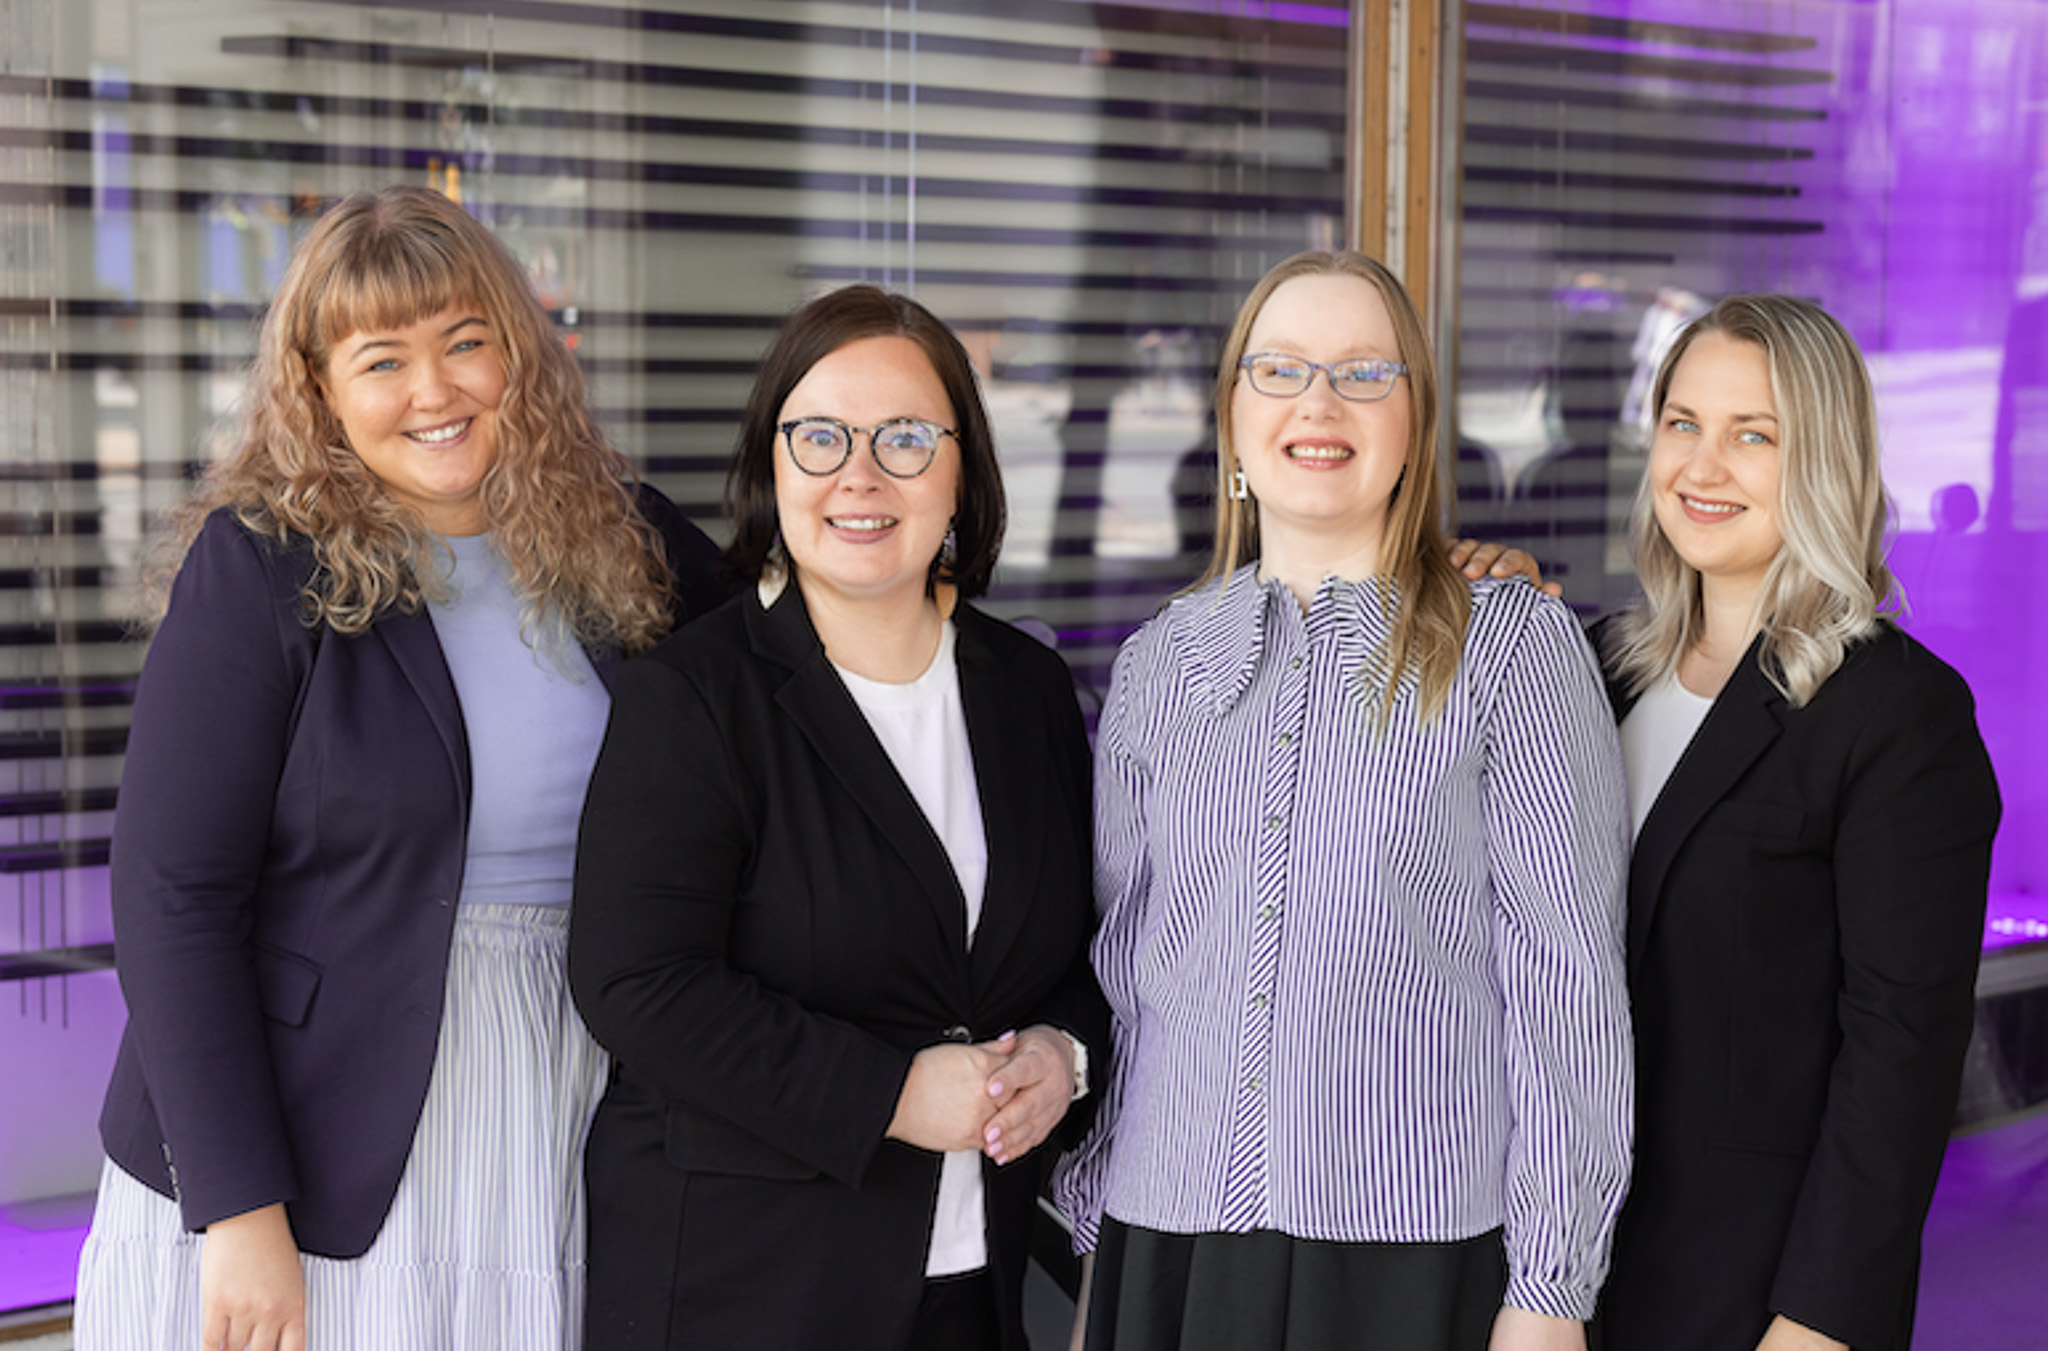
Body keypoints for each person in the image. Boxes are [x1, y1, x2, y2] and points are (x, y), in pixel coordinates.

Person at [73, 185, 725, 1351]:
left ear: (519, 353)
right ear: (319, 388)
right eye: (382, 360)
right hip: (308, 1121)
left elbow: (786, 687)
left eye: (466, 342)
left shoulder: (626, 537)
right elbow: (174, 899)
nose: (434, 390)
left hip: (563, 1084)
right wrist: (239, 1207)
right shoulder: (261, 565)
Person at [1050, 250, 1634, 1351]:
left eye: (1365, 372)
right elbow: (1132, 981)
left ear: (1416, 418)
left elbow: (1564, 988)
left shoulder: (1513, 649)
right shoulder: (1156, 665)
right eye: (1279, 369)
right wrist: (1096, 1264)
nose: (1318, 403)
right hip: (1165, 1243)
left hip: (1407, 1254)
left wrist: (1551, 1290)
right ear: (1232, 417)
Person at [566, 284, 1106, 1351]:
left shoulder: (1028, 690)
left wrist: (1067, 1053)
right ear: (773, 464)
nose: (859, 474)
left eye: (905, 437)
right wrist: (890, 1094)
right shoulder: (696, 695)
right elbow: (637, 981)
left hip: (975, 1288)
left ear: (962, 472)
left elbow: (1091, 945)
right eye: (819, 437)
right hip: (744, 1291)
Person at [1587, 296, 2000, 1351]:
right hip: (1562, 1276)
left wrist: (1816, 1319)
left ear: (1823, 459)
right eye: (1681, 422)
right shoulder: (1595, 670)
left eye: (1752, 435)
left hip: (1749, 1295)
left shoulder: (1897, 713)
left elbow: (1900, 1052)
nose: (1701, 465)